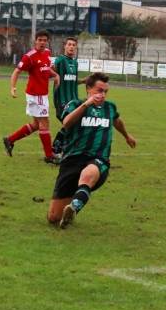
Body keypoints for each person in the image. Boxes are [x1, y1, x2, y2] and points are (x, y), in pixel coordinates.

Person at [47, 72, 137, 229]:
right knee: (54, 217)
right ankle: (69, 208)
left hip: (98, 158)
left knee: (88, 174)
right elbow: (66, 122)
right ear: (88, 89)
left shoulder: (110, 108)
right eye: (99, 90)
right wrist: (86, 104)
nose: (102, 95)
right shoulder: (75, 104)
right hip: (72, 159)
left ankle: (75, 206)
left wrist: (127, 136)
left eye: (105, 92)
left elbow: (117, 121)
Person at [3, 30, 60, 164]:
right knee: (45, 124)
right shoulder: (29, 56)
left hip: (42, 94)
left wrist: (55, 75)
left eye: (44, 40)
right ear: (35, 41)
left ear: (47, 42)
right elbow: (16, 71)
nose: (42, 42)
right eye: (39, 40)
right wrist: (13, 87)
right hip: (36, 95)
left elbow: (46, 69)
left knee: (36, 124)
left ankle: (10, 140)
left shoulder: (47, 53)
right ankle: (49, 156)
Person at [51, 37, 80, 156]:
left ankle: (60, 150)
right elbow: (49, 70)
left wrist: (86, 81)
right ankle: (57, 149)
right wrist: (54, 75)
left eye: (74, 45)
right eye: (69, 44)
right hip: (61, 100)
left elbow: (74, 80)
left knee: (73, 125)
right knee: (70, 124)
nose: (71, 47)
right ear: (65, 46)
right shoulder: (60, 60)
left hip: (73, 100)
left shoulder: (75, 62)